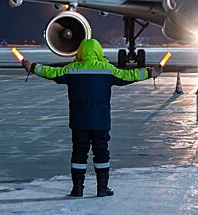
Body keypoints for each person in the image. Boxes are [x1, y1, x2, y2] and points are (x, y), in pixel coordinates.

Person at [22, 38, 162, 197]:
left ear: (80, 52)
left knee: (78, 154)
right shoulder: (107, 69)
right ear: (98, 52)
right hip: (100, 122)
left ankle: (78, 188)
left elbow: (49, 72)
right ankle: (102, 188)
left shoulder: (71, 69)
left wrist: (31, 66)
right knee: (101, 153)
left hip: (79, 121)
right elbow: (129, 75)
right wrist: (150, 72)